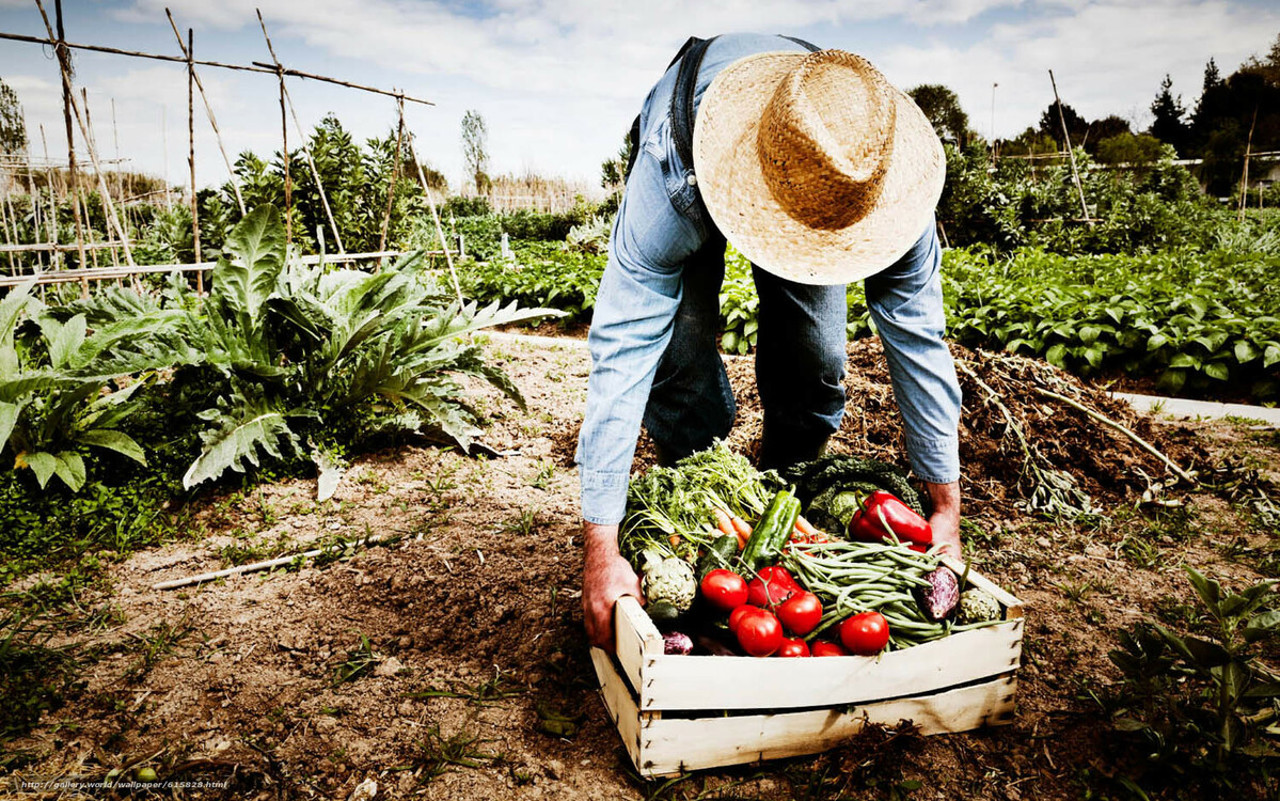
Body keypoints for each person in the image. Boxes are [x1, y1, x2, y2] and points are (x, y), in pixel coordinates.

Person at [575, 34, 963, 649]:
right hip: (697, 147)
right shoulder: (671, 174)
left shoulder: (877, 179)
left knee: (816, 359)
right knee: (679, 361)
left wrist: (946, 506)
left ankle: (783, 492)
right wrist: (600, 545)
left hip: (818, 173)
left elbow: (919, 339)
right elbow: (623, 343)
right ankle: (698, 502)